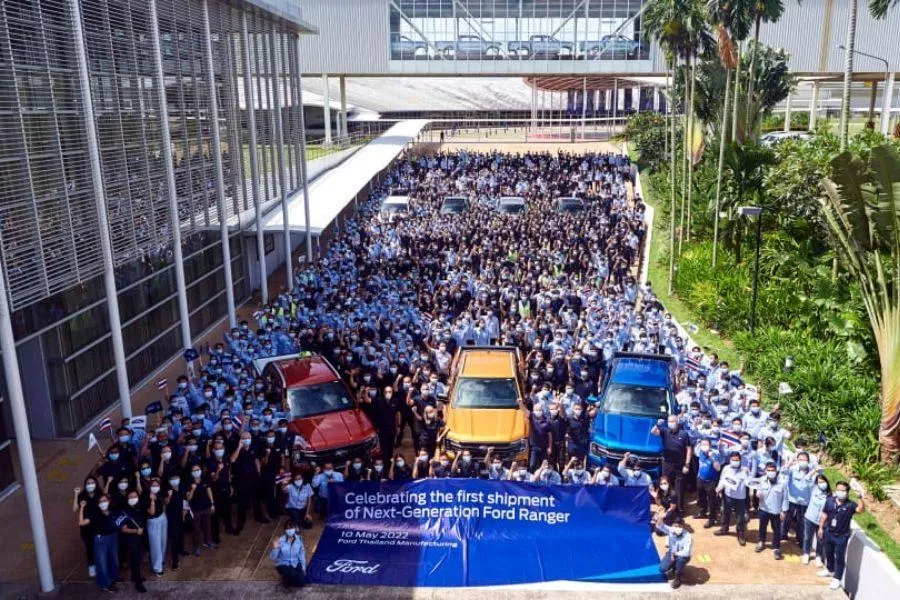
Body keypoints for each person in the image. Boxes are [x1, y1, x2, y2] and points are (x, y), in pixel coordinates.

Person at [818, 480, 866, 591]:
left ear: (847, 492)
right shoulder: (830, 501)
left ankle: (837, 578)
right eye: (838, 489)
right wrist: (821, 527)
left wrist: (860, 497)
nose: (840, 492)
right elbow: (825, 514)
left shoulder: (850, 505)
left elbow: (861, 510)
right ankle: (830, 570)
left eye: (842, 490)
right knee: (828, 553)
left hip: (841, 537)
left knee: (839, 558)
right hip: (828, 532)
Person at [651, 414, 692, 514]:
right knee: (664, 484)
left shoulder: (684, 434)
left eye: (673, 421)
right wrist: (657, 424)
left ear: (677, 422)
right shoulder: (665, 431)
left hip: (679, 464)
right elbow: (653, 432)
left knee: (679, 487)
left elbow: (689, 449)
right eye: (669, 421)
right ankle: (664, 506)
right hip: (667, 464)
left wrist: (687, 464)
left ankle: (679, 509)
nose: (671, 423)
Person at [80, 494, 120, 592]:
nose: (103, 503)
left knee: (114, 561)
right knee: (102, 562)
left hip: (113, 537)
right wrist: (82, 508)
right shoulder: (94, 514)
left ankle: (112, 578)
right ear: (97, 504)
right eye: (100, 502)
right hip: (100, 539)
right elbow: (81, 522)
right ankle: (105, 584)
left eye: (105, 501)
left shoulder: (112, 511)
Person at [748, 461, 787, 560]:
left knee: (777, 530)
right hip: (764, 509)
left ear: (776, 471)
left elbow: (785, 498)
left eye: (772, 470)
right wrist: (758, 495)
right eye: (768, 470)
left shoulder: (782, 482)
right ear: (765, 471)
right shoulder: (762, 480)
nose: (770, 472)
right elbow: (759, 491)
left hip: (776, 510)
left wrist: (783, 511)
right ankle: (761, 542)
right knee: (762, 527)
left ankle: (776, 548)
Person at [715, 451, 749, 546]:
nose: (735, 461)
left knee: (740, 517)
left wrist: (748, 473)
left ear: (740, 460)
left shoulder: (744, 470)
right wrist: (719, 487)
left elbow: (748, 482)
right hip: (728, 495)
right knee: (725, 512)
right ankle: (724, 528)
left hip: (740, 497)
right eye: (733, 460)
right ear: (730, 460)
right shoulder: (726, 468)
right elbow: (722, 479)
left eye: (737, 460)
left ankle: (741, 534)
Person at [117, 490, 148, 593]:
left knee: (139, 556)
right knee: (135, 559)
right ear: (127, 499)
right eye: (130, 497)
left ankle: (135, 576)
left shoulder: (138, 508)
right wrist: (136, 531)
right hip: (131, 538)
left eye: (135, 496)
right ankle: (137, 582)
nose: (133, 498)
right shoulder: (125, 511)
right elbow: (123, 529)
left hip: (139, 537)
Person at [73, 477, 100, 579]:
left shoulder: (99, 494)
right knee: (89, 546)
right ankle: (91, 565)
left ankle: (99, 564)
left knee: (98, 546)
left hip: (97, 525)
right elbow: (75, 508)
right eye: (88, 483)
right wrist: (76, 494)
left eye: (92, 483)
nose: (90, 485)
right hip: (86, 527)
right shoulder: (82, 496)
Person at [186, 465, 216, 556]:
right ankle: (196, 547)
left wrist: (212, 504)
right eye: (194, 470)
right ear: (191, 473)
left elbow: (209, 491)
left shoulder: (204, 479)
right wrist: (192, 490)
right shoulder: (189, 482)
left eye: (198, 469)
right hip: (196, 510)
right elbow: (188, 498)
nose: (196, 471)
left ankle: (208, 542)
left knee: (208, 526)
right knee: (196, 528)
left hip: (206, 507)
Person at [802, 473, 831, 566]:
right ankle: (806, 553)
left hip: (822, 522)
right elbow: (806, 479)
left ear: (827, 482)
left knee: (820, 540)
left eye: (823, 481)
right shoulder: (813, 489)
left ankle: (818, 556)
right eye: (819, 482)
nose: (821, 483)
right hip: (810, 518)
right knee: (807, 537)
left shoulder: (830, 495)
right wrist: (814, 471)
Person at [656, 516, 692, 589]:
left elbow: (686, 552)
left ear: (683, 527)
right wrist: (660, 517)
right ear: (672, 526)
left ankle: (678, 577)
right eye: (675, 526)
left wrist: (675, 554)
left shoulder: (687, 536)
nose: (677, 528)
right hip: (671, 552)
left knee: (681, 560)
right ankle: (673, 566)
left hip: (682, 555)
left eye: (679, 526)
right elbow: (660, 526)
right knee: (662, 569)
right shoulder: (670, 530)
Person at [269, 520, 306, 588]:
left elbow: (301, 554)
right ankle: (285, 579)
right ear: (285, 530)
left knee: (301, 583)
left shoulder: (299, 539)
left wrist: (303, 567)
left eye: (291, 528)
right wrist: (275, 548)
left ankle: (292, 577)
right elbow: (272, 558)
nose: (290, 530)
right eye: (288, 528)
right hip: (283, 564)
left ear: (295, 529)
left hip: (295, 563)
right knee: (290, 576)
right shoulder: (280, 540)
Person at [694, 438, 721, 528]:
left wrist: (712, 458)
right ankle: (702, 512)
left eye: (706, 444)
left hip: (711, 481)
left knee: (712, 500)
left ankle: (712, 518)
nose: (704, 446)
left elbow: (718, 468)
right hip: (700, 479)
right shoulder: (700, 453)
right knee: (701, 497)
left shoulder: (715, 454)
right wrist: (698, 476)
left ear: (710, 445)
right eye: (703, 444)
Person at [144, 478, 167, 577]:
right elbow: (151, 512)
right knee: (155, 545)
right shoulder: (145, 497)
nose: (155, 487)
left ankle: (161, 561)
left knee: (163, 542)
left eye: (157, 485)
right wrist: (152, 500)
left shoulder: (160, 494)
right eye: (153, 485)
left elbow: (164, 505)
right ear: (149, 487)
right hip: (153, 521)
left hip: (162, 518)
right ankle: (157, 568)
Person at [165, 474, 187, 572]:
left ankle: (181, 550)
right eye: (172, 479)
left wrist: (185, 510)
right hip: (172, 517)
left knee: (181, 533)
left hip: (181, 514)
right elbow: (166, 503)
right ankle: (175, 561)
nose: (175, 480)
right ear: (169, 481)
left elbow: (184, 500)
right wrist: (169, 496)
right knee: (175, 538)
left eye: (176, 478)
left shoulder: (181, 488)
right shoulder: (168, 491)